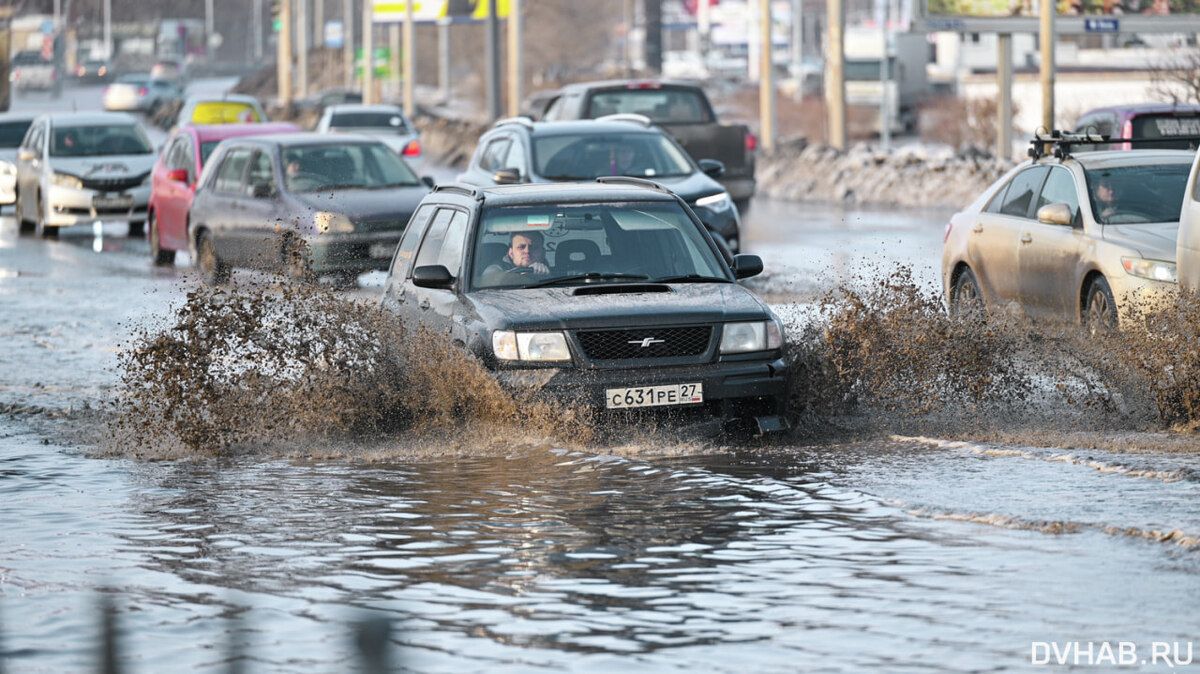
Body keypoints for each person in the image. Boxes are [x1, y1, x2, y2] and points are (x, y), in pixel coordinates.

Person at [481, 231, 550, 286]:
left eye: (534, 247)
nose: (527, 251)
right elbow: (489, 284)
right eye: (521, 247)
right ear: (511, 253)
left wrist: (545, 277)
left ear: (543, 253)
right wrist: (518, 277)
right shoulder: (495, 270)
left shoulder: (555, 276)